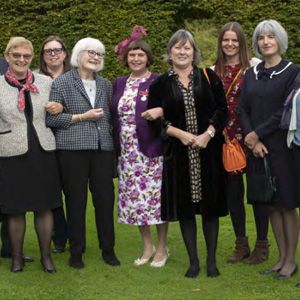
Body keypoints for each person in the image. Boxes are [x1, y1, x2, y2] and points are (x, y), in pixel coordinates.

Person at [146, 29, 228, 278]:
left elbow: (222, 110)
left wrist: (208, 134)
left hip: (208, 154)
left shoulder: (208, 76)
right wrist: (178, 133)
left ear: (194, 52)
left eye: (187, 48)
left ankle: (211, 262)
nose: (182, 52)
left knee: (210, 209)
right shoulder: (160, 84)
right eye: (177, 47)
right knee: (185, 211)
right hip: (178, 156)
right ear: (170, 52)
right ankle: (193, 262)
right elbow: (153, 118)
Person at [46, 37, 120, 269]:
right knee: (76, 202)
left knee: (105, 201)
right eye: (91, 52)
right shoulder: (61, 83)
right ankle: (76, 251)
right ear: (78, 55)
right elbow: (51, 118)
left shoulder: (107, 84)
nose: (95, 57)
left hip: (102, 150)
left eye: (99, 54)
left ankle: (108, 249)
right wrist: (81, 117)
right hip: (72, 151)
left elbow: (110, 118)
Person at [238, 20, 300, 280]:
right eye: (261, 38)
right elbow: (242, 108)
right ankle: (279, 258)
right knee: (270, 205)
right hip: (257, 149)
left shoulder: (293, 72)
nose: (265, 42)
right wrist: (252, 141)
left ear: (280, 41)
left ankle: (290, 260)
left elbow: (284, 111)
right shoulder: (250, 73)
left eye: (270, 37)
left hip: (282, 147)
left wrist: (256, 134)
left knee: (287, 205)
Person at [0, 37, 63, 272]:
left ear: (31, 58)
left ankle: (46, 256)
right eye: (16, 55)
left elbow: (58, 107)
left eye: (26, 56)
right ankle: (16, 258)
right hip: (10, 152)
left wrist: (60, 107)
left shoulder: (46, 82)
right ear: (7, 57)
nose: (21, 60)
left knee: (44, 206)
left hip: (43, 150)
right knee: (15, 209)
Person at [213, 22, 269, 264]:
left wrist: (257, 134)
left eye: (235, 40)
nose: (230, 44)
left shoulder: (254, 68)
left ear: (242, 43)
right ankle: (241, 243)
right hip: (226, 142)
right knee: (233, 194)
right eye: (226, 39)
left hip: (250, 137)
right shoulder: (212, 70)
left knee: (258, 194)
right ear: (220, 42)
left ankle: (262, 245)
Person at [111, 39, 168, 267]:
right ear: (126, 58)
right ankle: (147, 246)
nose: (135, 59)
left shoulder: (158, 81)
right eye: (132, 55)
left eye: (140, 55)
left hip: (152, 150)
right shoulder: (119, 83)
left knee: (156, 201)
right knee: (135, 201)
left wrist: (161, 111)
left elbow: (173, 107)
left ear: (148, 57)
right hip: (127, 153)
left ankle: (162, 247)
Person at [39, 35, 70, 254]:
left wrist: (63, 108)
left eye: (57, 50)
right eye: (48, 51)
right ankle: (58, 236)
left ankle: (71, 236)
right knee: (50, 192)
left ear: (65, 53)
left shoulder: (75, 77)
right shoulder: (34, 78)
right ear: (43, 56)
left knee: (72, 192)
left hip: (69, 141)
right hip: (43, 142)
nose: (53, 54)